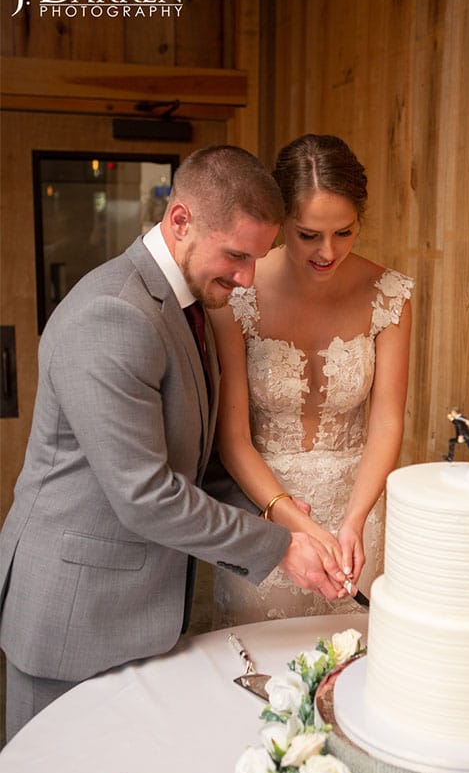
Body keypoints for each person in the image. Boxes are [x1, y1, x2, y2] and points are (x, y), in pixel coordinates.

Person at [0, 145, 350, 741]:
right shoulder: (113, 313)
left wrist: (286, 521)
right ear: (181, 220)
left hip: (137, 613)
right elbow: (149, 496)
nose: (245, 279)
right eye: (236, 256)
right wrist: (277, 547)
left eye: (256, 259)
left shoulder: (185, 306)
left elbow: (195, 463)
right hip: (72, 613)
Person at [208, 133, 413, 625]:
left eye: (344, 233)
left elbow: (386, 423)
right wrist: (293, 527)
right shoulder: (238, 295)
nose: (327, 251)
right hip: (264, 513)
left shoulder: (390, 294)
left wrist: (354, 521)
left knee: (353, 668)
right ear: (282, 223)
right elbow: (232, 440)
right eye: (308, 234)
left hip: (357, 515)